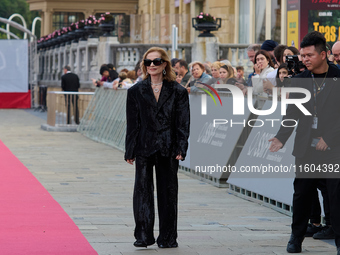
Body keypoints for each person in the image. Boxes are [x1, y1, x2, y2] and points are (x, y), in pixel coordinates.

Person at [268, 31, 340, 255]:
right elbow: (292, 114)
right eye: (303, 56)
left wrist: (329, 137)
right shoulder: (298, 80)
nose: (305, 59)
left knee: (336, 196)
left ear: (324, 54)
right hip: (306, 147)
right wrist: (281, 137)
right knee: (302, 195)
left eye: (309, 55)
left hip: (334, 148)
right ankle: (296, 237)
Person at [125, 47, 190, 249]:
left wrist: (181, 146)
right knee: (142, 191)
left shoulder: (178, 91)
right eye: (148, 62)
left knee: (168, 193)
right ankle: (143, 236)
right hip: (144, 146)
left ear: (164, 64)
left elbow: (183, 123)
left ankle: (168, 237)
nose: (152, 65)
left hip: (169, 147)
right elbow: (132, 123)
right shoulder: (135, 91)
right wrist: (130, 150)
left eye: (156, 61)